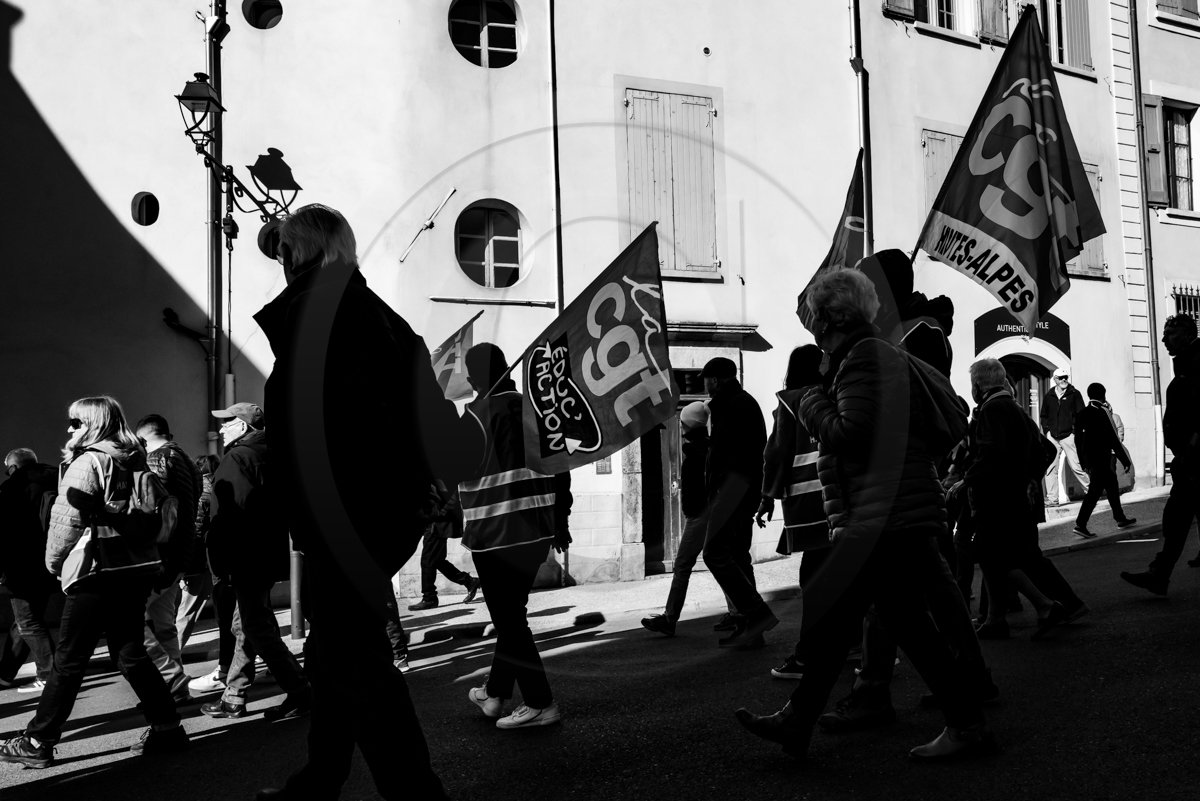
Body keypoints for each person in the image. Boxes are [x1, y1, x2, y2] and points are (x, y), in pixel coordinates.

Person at [253, 205, 473, 801]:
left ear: (300, 255)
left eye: (283, 252)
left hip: (345, 511)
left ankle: (417, 794)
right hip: (373, 510)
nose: (279, 263)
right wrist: (422, 485)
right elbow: (414, 411)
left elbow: (347, 424)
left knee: (356, 659)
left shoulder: (324, 315)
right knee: (332, 652)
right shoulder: (378, 316)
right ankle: (320, 777)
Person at [734, 269, 991, 762]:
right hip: (886, 510)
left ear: (830, 315)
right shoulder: (867, 356)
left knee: (878, 622)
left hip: (882, 512)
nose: (809, 320)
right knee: (881, 621)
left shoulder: (863, 360)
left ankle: (964, 722)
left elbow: (853, 433)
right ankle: (801, 718)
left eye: (813, 311)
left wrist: (809, 400)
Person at [0, 396, 188, 769]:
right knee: (130, 652)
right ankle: (168, 727)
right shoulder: (135, 460)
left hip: (96, 573)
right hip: (136, 570)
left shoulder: (89, 462)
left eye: (75, 422)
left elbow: (64, 524)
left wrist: (54, 565)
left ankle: (39, 739)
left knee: (69, 659)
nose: (69, 429)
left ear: (91, 425)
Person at [461, 343, 572, 730]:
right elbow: (562, 467)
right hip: (536, 529)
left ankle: (541, 703)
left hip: (493, 533)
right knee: (512, 616)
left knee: (510, 622)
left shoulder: (473, 416)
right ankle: (495, 694)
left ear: (476, 378)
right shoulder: (537, 411)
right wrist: (562, 521)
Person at [199, 402, 311, 721]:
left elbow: (231, 513)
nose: (221, 428)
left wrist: (220, 559)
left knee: (254, 625)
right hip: (268, 551)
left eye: (228, 422)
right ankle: (233, 695)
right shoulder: (276, 453)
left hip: (245, 554)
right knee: (247, 623)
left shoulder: (239, 456)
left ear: (245, 427)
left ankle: (300, 689)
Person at [966, 359, 1085, 640]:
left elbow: (991, 452)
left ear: (976, 386)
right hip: (1018, 499)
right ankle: (995, 617)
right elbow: (1045, 448)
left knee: (1002, 557)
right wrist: (1031, 478)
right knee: (1009, 557)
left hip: (999, 499)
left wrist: (966, 480)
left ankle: (1052, 606)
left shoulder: (993, 409)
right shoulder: (1015, 410)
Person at [753, 346, 830, 678]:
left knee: (812, 581)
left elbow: (777, 453)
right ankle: (861, 646)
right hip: (841, 499)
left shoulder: (790, 401)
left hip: (807, 504)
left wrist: (767, 497)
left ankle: (808, 655)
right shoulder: (835, 393)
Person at [641, 401, 738, 636]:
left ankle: (670, 619)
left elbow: (703, 486)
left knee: (683, 564)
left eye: (683, 422)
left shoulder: (697, 452)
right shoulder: (709, 448)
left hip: (700, 516)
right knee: (718, 560)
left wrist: (694, 511)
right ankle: (737, 612)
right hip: (709, 513)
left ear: (688, 425)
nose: (681, 425)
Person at [699, 356, 775, 648]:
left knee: (714, 553)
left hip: (734, 493)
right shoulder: (736, 404)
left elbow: (743, 458)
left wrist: (724, 495)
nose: (704, 384)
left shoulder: (736, 405)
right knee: (739, 557)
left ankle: (756, 615)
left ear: (715, 380)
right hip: (739, 492)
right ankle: (751, 626)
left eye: (706, 379)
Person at [1122, 314, 1200, 594]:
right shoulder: (1186, 365)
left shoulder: (1197, 363)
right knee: (1177, 516)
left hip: (1194, 459)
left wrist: (1190, 450)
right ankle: (1159, 573)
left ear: (1188, 334)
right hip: (1187, 460)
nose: (1164, 339)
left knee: (1177, 516)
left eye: (1170, 333)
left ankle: (1159, 573)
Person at [135, 414, 202, 705]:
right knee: (163, 624)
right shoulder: (186, 459)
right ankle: (176, 689)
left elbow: (152, 508)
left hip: (162, 555)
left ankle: (171, 677)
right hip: (181, 553)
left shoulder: (157, 460)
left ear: (144, 438)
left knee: (127, 621)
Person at [0, 448, 60, 694]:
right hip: (49, 563)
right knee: (24, 621)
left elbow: (5, 533)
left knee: (28, 622)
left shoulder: (13, 488)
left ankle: (50, 676)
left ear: (13, 467)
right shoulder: (58, 479)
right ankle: (4, 675)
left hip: (21, 565)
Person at [184, 454, 240, 695]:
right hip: (222, 562)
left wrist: (190, 566)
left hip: (209, 562)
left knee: (187, 614)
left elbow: (197, 531)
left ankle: (171, 668)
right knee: (239, 619)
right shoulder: (220, 489)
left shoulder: (203, 494)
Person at [1073, 384, 1136, 538]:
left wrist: (1083, 462)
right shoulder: (1103, 411)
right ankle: (1081, 524)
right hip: (1102, 458)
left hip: (1091, 460)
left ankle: (1120, 518)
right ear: (1103, 395)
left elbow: (1077, 440)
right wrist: (1125, 460)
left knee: (1112, 486)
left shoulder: (1082, 413)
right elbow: (1112, 437)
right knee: (1094, 493)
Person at [407, 482, 480, 610]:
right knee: (437, 560)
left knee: (428, 560)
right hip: (432, 519)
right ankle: (469, 581)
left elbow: (453, 493)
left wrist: (440, 513)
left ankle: (429, 598)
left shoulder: (441, 470)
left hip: (438, 521)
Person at [1041, 367, 1089, 506]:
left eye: (1065, 377)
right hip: (1052, 437)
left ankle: (1092, 491)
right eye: (1061, 378)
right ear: (1055, 379)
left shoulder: (1075, 394)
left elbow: (1081, 415)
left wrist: (1074, 432)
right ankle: (1052, 499)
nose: (1064, 380)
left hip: (1069, 436)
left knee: (1076, 466)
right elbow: (1044, 415)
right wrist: (1047, 431)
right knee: (1050, 468)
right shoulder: (1049, 395)